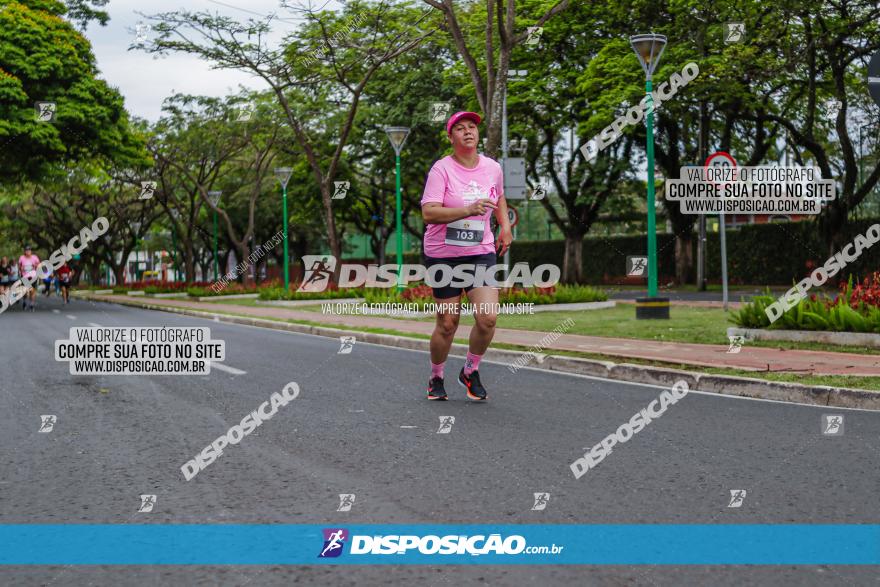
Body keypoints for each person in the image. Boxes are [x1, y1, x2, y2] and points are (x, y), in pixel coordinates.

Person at [420, 111, 512, 401]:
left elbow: (497, 197)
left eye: (472, 127)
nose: (468, 132)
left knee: (488, 319)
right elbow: (429, 212)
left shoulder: (492, 167)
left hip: (479, 252)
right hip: (443, 255)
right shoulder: (441, 170)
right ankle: (436, 376)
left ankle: (470, 371)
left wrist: (505, 226)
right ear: (451, 138)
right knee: (448, 324)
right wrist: (467, 210)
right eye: (460, 128)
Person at [18, 245, 40, 311]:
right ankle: (24, 301)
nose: (28, 252)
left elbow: (39, 265)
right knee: (25, 291)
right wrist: (21, 268)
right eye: (26, 250)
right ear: (25, 251)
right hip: (25, 277)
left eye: (29, 250)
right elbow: (19, 266)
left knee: (32, 291)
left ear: (31, 251)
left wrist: (36, 266)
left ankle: (31, 305)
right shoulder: (22, 257)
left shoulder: (35, 257)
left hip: (33, 277)